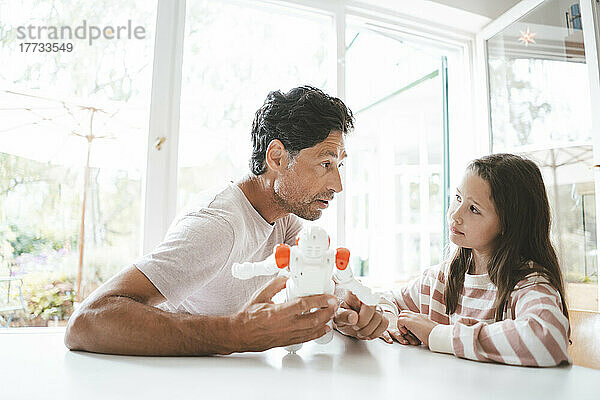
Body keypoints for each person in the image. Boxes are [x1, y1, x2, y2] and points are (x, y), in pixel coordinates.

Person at [64, 86, 388, 355]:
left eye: (339, 165)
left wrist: (346, 312)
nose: (338, 185)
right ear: (276, 157)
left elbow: (306, 282)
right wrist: (236, 333)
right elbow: (87, 322)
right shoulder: (220, 224)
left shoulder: (284, 219)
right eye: (325, 163)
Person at [379, 153, 571, 367]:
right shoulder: (440, 280)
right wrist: (391, 322)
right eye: (458, 198)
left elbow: (547, 339)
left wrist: (436, 335)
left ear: (507, 224)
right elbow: (385, 300)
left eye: (474, 209)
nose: (455, 215)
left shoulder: (528, 284)